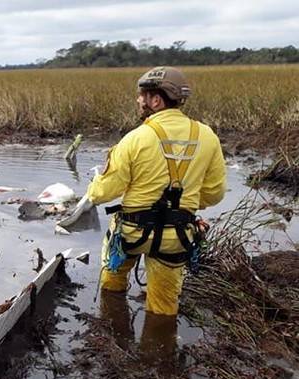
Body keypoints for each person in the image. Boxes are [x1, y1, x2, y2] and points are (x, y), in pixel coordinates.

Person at [59, 67, 227, 315]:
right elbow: (214, 194)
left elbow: (103, 192)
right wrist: (183, 204)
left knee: (111, 282)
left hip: (132, 234)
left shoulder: (135, 139)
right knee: (164, 307)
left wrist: (93, 187)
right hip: (177, 237)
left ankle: (112, 323)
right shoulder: (208, 136)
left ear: (156, 100)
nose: (138, 100)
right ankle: (159, 347)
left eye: (141, 95)